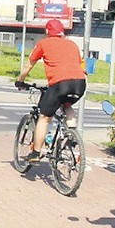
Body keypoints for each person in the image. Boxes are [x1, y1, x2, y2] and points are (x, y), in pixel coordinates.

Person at [15, 19, 86, 162]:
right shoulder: (72, 44)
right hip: (80, 83)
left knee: (45, 118)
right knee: (67, 105)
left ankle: (35, 153)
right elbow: (79, 64)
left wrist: (20, 80)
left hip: (60, 84)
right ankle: (71, 135)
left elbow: (29, 65)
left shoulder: (43, 43)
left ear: (47, 32)